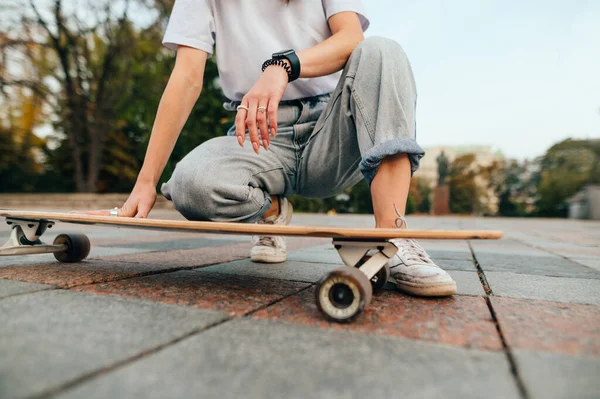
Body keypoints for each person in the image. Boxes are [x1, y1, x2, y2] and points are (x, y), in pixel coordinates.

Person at [89, 0, 456, 297]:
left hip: (334, 125)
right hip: (258, 131)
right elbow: (186, 77)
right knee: (191, 184)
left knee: (382, 51)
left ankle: (392, 238)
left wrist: (282, 66)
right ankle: (273, 212)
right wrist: (145, 182)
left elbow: (350, 39)